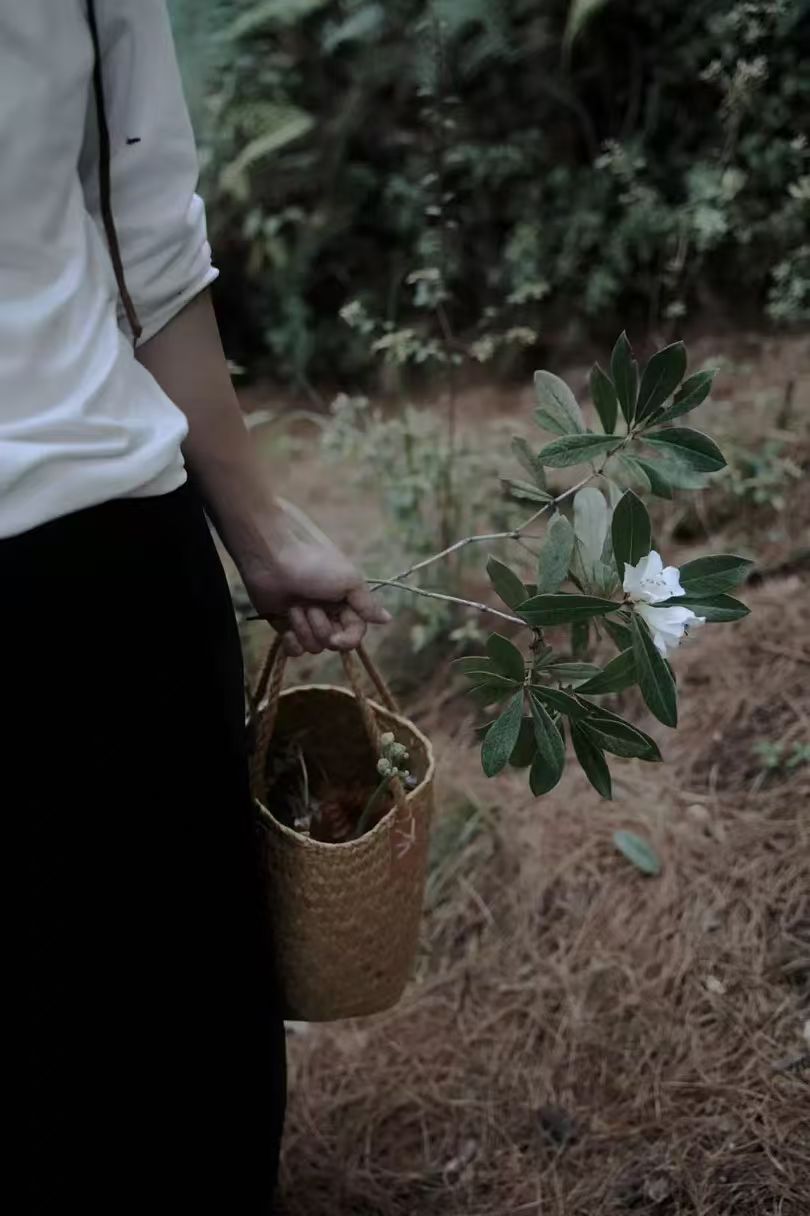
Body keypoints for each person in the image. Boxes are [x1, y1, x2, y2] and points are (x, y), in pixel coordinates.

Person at [1, 2, 389, 1210]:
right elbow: (148, 232)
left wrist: (264, 542)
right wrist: (261, 537)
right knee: (160, 1080)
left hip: (88, 564)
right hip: (88, 559)